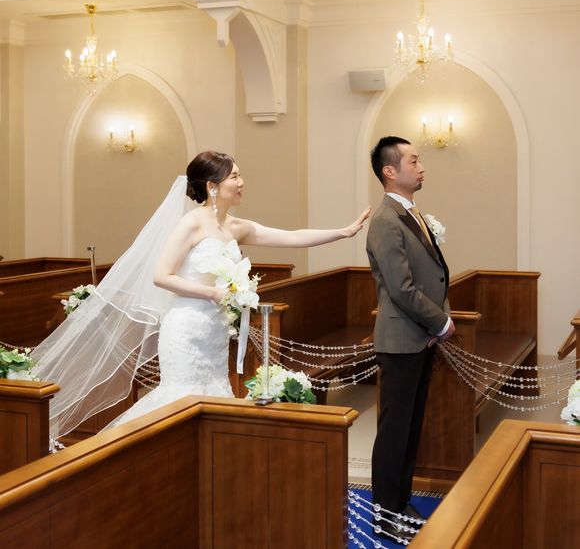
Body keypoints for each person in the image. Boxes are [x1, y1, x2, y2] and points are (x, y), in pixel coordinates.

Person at [35, 151, 370, 437]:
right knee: (179, 401)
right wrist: (210, 292)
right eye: (234, 176)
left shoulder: (235, 226)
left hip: (214, 334)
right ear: (212, 186)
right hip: (185, 329)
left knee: (214, 401)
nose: (241, 182)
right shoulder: (191, 224)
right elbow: (161, 275)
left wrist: (343, 232)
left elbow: (292, 237)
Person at [366, 136, 455, 543]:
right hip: (401, 338)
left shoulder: (411, 212)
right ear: (390, 171)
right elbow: (401, 288)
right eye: (413, 161)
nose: (421, 168)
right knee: (394, 432)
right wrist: (441, 322)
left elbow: (432, 273)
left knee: (411, 428)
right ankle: (384, 514)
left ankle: (400, 502)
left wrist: (435, 324)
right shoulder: (385, 220)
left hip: (419, 337)